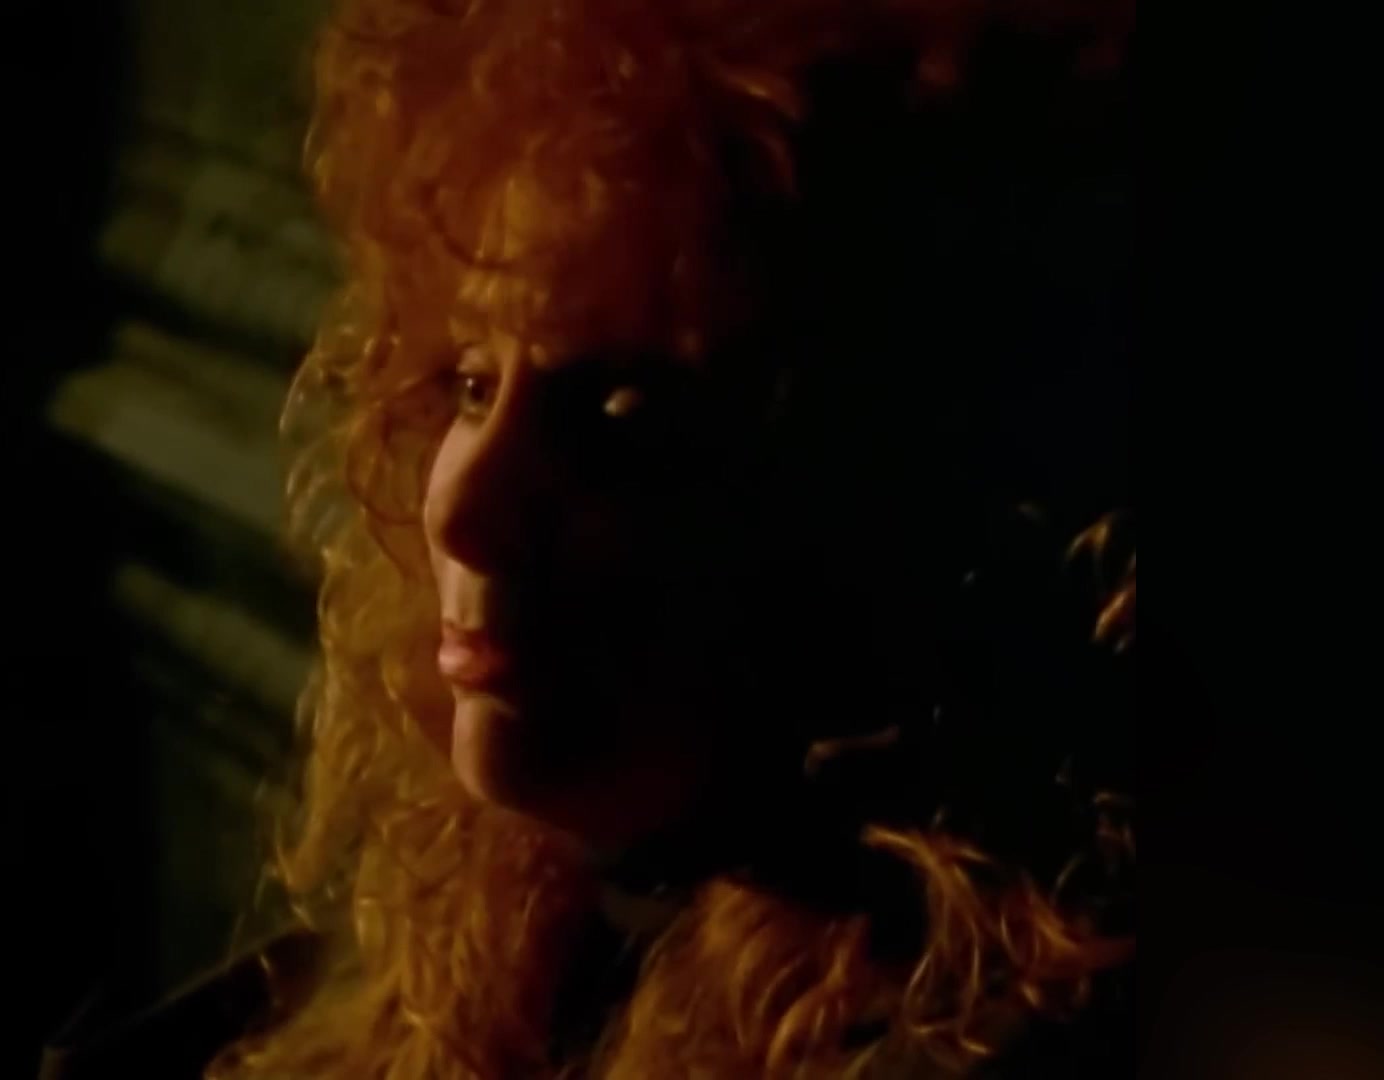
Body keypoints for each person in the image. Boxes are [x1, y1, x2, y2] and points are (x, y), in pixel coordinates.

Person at [203, 0, 1136, 1075]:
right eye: (471, 384)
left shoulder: (999, 1035)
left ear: (891, 483)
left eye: (620, 413)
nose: (462, 513)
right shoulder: (509, 929)